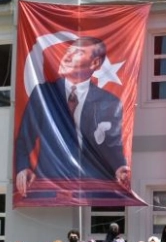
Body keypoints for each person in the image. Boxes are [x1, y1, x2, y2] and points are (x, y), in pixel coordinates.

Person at [15, 36, 130, 196]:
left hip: (91, 187)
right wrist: (22, 167)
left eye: (78, 53)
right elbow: (24, 140)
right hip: (48, 186)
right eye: (68, 51)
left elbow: (112, 144)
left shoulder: (109, 102)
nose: (67, 56)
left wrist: (119, 167)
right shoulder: (44, 94)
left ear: (95, 63)